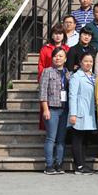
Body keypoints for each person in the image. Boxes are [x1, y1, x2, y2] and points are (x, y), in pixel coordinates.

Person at [38, 47, 69, 175]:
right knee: (51, 138)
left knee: (61, 139)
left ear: (65, 59)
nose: (58, 58)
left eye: (61, 56)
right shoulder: (47, 71)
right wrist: (45, 109)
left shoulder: (68, 73)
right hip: (52, 109)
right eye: (56, 56)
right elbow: (42, 93)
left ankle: (59, 164)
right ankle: (49, 165)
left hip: (65, 110)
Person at [67, 53, 97, 175]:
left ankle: (83, 164)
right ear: (80, 62)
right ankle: (78, 166)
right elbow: (72, 96)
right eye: (86, 61)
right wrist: (73, 114)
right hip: (79, 112)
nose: (88, 63)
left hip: (89, 112)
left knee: (85, 140)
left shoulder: (93, 76)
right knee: (77, 140)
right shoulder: (76, 76)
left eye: (91, 61)